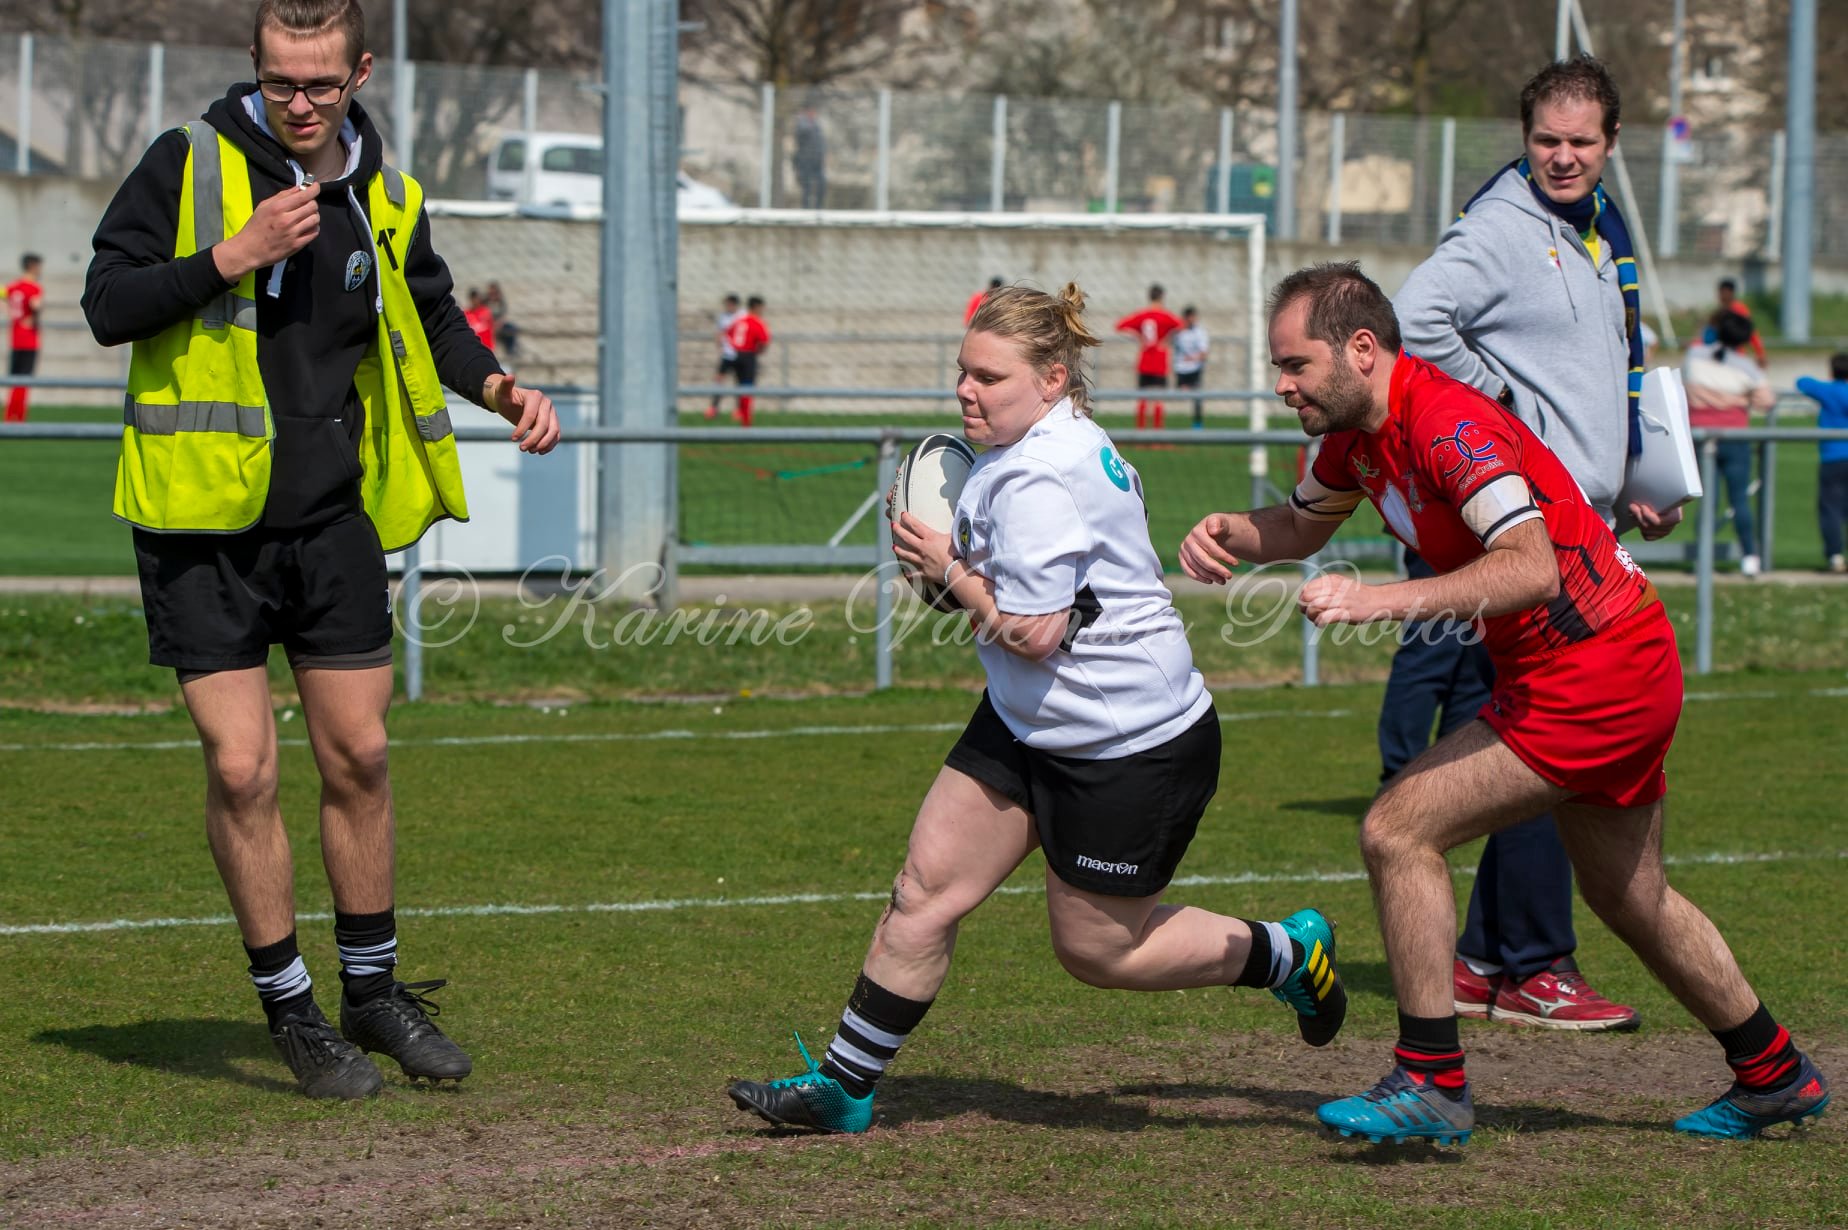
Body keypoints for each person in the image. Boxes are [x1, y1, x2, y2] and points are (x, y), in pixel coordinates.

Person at [1181, 260, 1830, 1145]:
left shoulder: (1446, 420)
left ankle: (1431, 1080)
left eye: (1295, 365)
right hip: (1602, 664)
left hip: (1597, 668)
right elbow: (1299, 528)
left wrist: (1381, 600)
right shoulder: (1353, 438)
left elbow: (1532, 568)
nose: (1282, 383)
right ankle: (1774, 1072)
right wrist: (1229, 532)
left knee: (1397, 830)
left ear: (1361, 349)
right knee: (1631, 896)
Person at [727, 283, 1348, 1134]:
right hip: (1028, 722)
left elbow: (1034, 632)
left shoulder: (1042, 477)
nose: (966, 392)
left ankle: (1287, 952)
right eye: (962, 372)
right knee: (924, 891)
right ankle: (844, 1086)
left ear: (1053, 379)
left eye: (989, 376)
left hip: (1128, 744)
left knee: (1097, 951)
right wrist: (955, 566)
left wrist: (947, 568)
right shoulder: (1031, 447)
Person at [81, 0, 560, 1100]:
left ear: (360, 73)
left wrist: (495, 387)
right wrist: (228, 256)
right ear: (254, 66)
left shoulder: (385, 193)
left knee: (362, 757)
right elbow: (109, 304)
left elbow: (429, 315)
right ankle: (292, 1010)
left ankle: (374, 992)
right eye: (283, 81)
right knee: (243, 768)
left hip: (331, 522)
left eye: (323, 85)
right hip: (200, 523)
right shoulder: (186, 162)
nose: (301, 104)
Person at [1387, 54, 1678, 1032]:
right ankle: (1534, 964)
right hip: (1529, 532)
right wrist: (1505, 415)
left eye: (1580, 141)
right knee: (1545, 739)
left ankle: (1482, 959)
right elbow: (1417, 317)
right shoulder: (1504, 227)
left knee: (1529, 730)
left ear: (1610, 144)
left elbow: (1595, 379)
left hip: (1581, 521)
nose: (1561, 156)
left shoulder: (1594, 229)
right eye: (1546, 140)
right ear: (1524, 139)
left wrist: (1632, 478)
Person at [1684, 311, 1774, 577]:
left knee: (1708, 502)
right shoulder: (1746, 367)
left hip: (1700, 436)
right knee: (1739, 500)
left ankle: (1703, 557)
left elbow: (1685, 386)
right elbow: (1766, 400)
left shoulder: (1695, 357)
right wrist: (1742, 401)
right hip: (1735, 438)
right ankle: (1749, 557)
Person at [1797, 353, 1848, 573]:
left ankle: (1835, 556)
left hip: (1832, 457)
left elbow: (1802, 382)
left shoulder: (1828, 391)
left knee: (1830, 509)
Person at [1116, 285, 1183, 430]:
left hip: (1144, 361)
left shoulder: (1142, 315)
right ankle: (1157, 436)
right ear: (1162, 297)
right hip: (1159, 361)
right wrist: (1166, 340)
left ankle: (1140, 433)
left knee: (1142, 399)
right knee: (1158, 400)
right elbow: (1181, 326)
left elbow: (1120, 325)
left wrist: (1139, 336)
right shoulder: (1165, 316)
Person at [5, 253, 44, 423]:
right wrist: (35, 315)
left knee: (14, 379)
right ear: (33, 266)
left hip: (15, 338)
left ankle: (9, 415)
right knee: (24, 380)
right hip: (29, 340)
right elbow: (35, 305)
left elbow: (7, 299)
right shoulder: (34, 288)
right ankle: (19, 417)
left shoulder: (13, 287)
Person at [726, 294, 770, 427]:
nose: (762, 310)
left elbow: (728, 333)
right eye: (761, 308)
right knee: (748, 387)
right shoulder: (756, 322)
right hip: (748, 355)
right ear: (756, 307)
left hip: (735, 355)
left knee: (740, 385)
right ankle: (746, 420)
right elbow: (764, 341)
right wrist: (759, 351)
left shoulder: (739, 320)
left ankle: (740, 412)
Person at [1703, 279, 1767, 368]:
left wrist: (1760, 353)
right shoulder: (1720, 311)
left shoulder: (1740, 310)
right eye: (1720, 293)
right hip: (1719, 354)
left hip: (1736, 354)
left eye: (1723, 293)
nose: (1721, 296)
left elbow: (1751, 332)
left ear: (1731, 293)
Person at [706, 293, 742, 419]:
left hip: (740, 354)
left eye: (729, 304)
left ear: (735, 304)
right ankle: (714, 408)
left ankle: (738, 410)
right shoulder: (723, 317)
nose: (727, 306)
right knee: (719, 381)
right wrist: (719, 343)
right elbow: (720, 332)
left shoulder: (742, 316)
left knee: (739, 383)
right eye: (726, 304)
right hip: (727, 354)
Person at [1173, 305, 1209, 428]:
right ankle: (1175, 423)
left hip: (1195, 369)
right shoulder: (1178, 332)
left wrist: (1192, 358)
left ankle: (1197, 424)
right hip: (1181, 369)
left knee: (1197, 398)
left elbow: (1204, 354)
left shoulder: (1200, 332)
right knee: (1179, 396)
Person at [793, 102, 826, 210]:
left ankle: (818, 208)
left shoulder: (816, 125)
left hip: (817, 160)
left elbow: (820, 142)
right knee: (806, 187)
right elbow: (801, 134)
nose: (813, 114)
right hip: (806, 160)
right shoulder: (802, 124)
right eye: (811, 111)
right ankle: (805, 209)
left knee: (821, 185)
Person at [462, 287, 495, 354]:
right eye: (473, 298)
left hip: (487, 348)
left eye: (477, 298)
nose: (475, 301)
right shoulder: (466, 314)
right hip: (473, 348)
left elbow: (492, 328)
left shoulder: (486, 311)